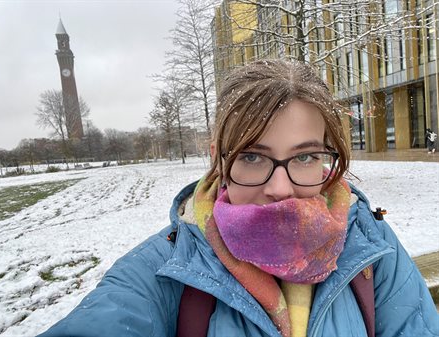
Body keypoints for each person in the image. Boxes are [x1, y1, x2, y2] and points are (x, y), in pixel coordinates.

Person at [38, 60, 439, 337]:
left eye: (304, 156)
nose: (279, 189)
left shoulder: (373, 248)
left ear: (326, 156)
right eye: (251, 156)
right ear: (219, 159)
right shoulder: (167, 269)